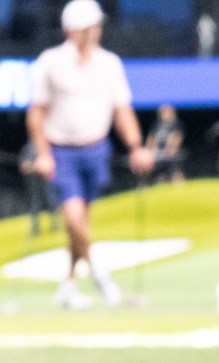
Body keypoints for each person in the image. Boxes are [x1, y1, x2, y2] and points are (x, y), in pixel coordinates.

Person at [25, 0, 154, 310]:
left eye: (96, 26)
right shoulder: (50, 62)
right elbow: (36, 114)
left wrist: (135, 147)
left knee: (81, 221)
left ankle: (68, 285)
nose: (94, 32)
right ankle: (100, 274)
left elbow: (122, 109)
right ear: (72, 30)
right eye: (88, 26)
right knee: (72, 216)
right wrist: (43, 153)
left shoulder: (109, 63)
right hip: (61, 151)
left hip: (96, 148)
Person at [149, 103, 186, 182]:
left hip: (172, 155)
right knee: (160, 177)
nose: (164, 114)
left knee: (176, 173)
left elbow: (178, 138)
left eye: (166, 111)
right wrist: (150, 150)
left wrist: (170, 149)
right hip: (158, 154)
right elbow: (151, 138)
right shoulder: (156, 125)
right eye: (162, 112)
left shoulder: (176, 124)